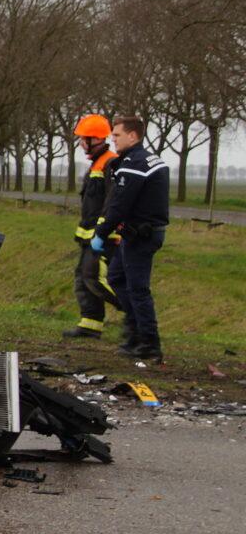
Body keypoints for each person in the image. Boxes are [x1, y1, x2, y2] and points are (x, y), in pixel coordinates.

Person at [92, 116, 170, 363]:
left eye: (116, 135)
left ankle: (148, 342)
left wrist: (101, 232)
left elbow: (120, 204)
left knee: (138, 289)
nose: (112, 139)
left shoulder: (135, 164)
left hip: (141, 235)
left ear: (132, 136)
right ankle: (134, 330)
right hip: (136, 233)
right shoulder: (143, 160)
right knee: (116, 277)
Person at [63, 113, 124, 340]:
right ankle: (90, 324)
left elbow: (112, 201)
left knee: (94, 277)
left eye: (83, 139)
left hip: (103, 236)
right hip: (90, 236)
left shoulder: (110, 162)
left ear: (94, 139)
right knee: (82, 278)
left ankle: (133, 311)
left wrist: (103, 232)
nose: (80, 144)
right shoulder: (96, 163)